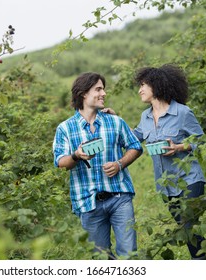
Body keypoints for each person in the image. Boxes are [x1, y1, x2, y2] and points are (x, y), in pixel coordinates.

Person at [53, 72, 143, 259]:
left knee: (129, 256)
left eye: (103, 89)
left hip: (119, 196)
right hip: (88, 202)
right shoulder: (65, 128)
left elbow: (135, 146)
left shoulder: (116, 122)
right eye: (98, 89)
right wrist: (76, 155)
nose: (104, 93)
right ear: (83, 94)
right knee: (101, 259)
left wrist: (120, 164)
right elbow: (61, 162)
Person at [132, 64, 206, 259]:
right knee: (186, 231)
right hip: (166, 185)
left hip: (190, 179)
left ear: (155, 86)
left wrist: (180, 147)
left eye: (142, 85)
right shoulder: (145, 116)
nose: (139, 90)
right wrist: (113, 119)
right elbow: (133, 137)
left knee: (189, 225)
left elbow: (201, 141)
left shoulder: (182, 113)